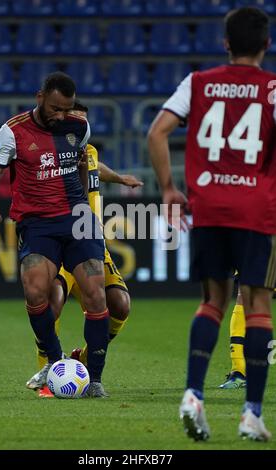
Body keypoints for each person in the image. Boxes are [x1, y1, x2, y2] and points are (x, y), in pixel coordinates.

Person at [148, 7, 276, 441]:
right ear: (266, 44)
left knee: (212, 301)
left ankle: (193, 394)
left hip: (208, 208)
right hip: (257, 210)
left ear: (225, 43)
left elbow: (156, 132)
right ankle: (252, 413)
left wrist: (168, 189)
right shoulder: (274, 88)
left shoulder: (198, 82)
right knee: (258, 304)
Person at [0, 72, 110, 398]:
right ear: (40, 98)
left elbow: (83, 166)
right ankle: (54, 360)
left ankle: (94, 379)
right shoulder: (13, 131)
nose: (61, 116)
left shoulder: (78, 127)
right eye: (55, 108)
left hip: (78, 218)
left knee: (96, 293)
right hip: (37, 222)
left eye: (66, 109)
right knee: (35, 290)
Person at [33, 108, 143, 397]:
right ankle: (49, 374)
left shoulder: (89, 151)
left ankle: (83, 363)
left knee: (120, 304)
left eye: (83, 120)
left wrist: (119, 179)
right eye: (73, 117)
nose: (79, 125)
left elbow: (97, 169)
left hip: (93, 245)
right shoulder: (52, 154)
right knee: (52, 300)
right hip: (62, 243)